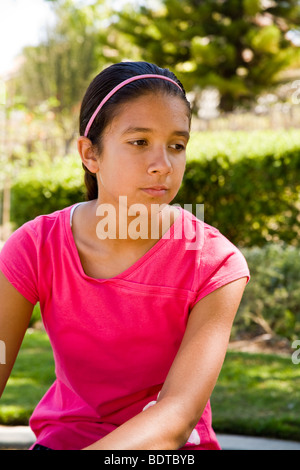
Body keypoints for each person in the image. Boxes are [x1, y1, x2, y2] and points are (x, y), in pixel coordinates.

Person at [0, 61, 250, 450]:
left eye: (177, 145)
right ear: (90, 154)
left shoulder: (215, 262)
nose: (163, 165)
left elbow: (177, 416)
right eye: (139, 142)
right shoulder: (35, 246)